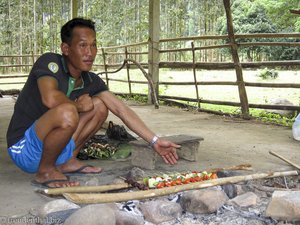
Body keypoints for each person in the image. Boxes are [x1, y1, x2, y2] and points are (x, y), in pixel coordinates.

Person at [6, 18, 180, 188]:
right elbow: (50, 98)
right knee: (67, 112)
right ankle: (45, 171)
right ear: (66, 48)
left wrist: (155, 141)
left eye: (93, 45)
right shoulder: (51, 63)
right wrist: (80, 106)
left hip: (51, 150)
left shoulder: (90, 80)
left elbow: (120, 109)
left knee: (99, 106)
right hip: (23, 148)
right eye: (82, 45)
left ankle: (68, 161)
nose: (90, 52)